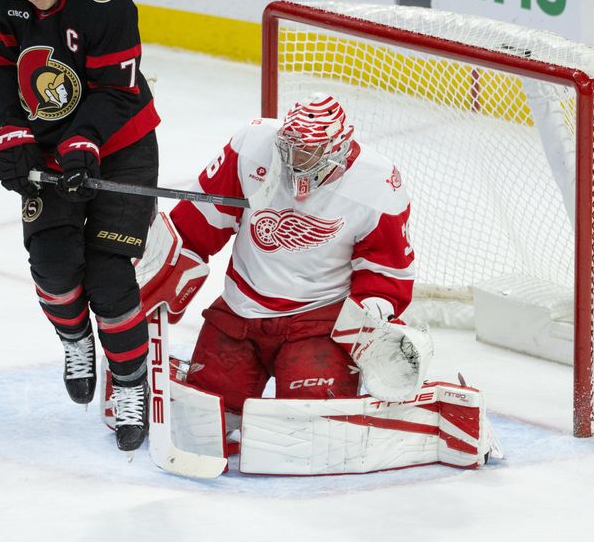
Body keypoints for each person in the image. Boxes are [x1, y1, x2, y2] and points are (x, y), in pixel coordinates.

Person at [0, 0, 160, 452]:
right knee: (55, 268)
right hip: (48, 150)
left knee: (108, 281)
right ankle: (75, 339)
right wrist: (12, 134)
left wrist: (84, 142)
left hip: (121, 146)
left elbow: (118, 89)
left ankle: (129, 384)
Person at [154, 93, 416, 421]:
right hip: (240, 312)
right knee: (207, 417)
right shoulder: (251, 146)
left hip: (318, 323)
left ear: (337, 147)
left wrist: (371, 320)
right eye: (291, 149)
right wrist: (159, 271)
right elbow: (198, 223)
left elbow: (386, 273)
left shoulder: (377, 185)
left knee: (312, 426)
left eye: (308, 152)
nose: (296, 161)